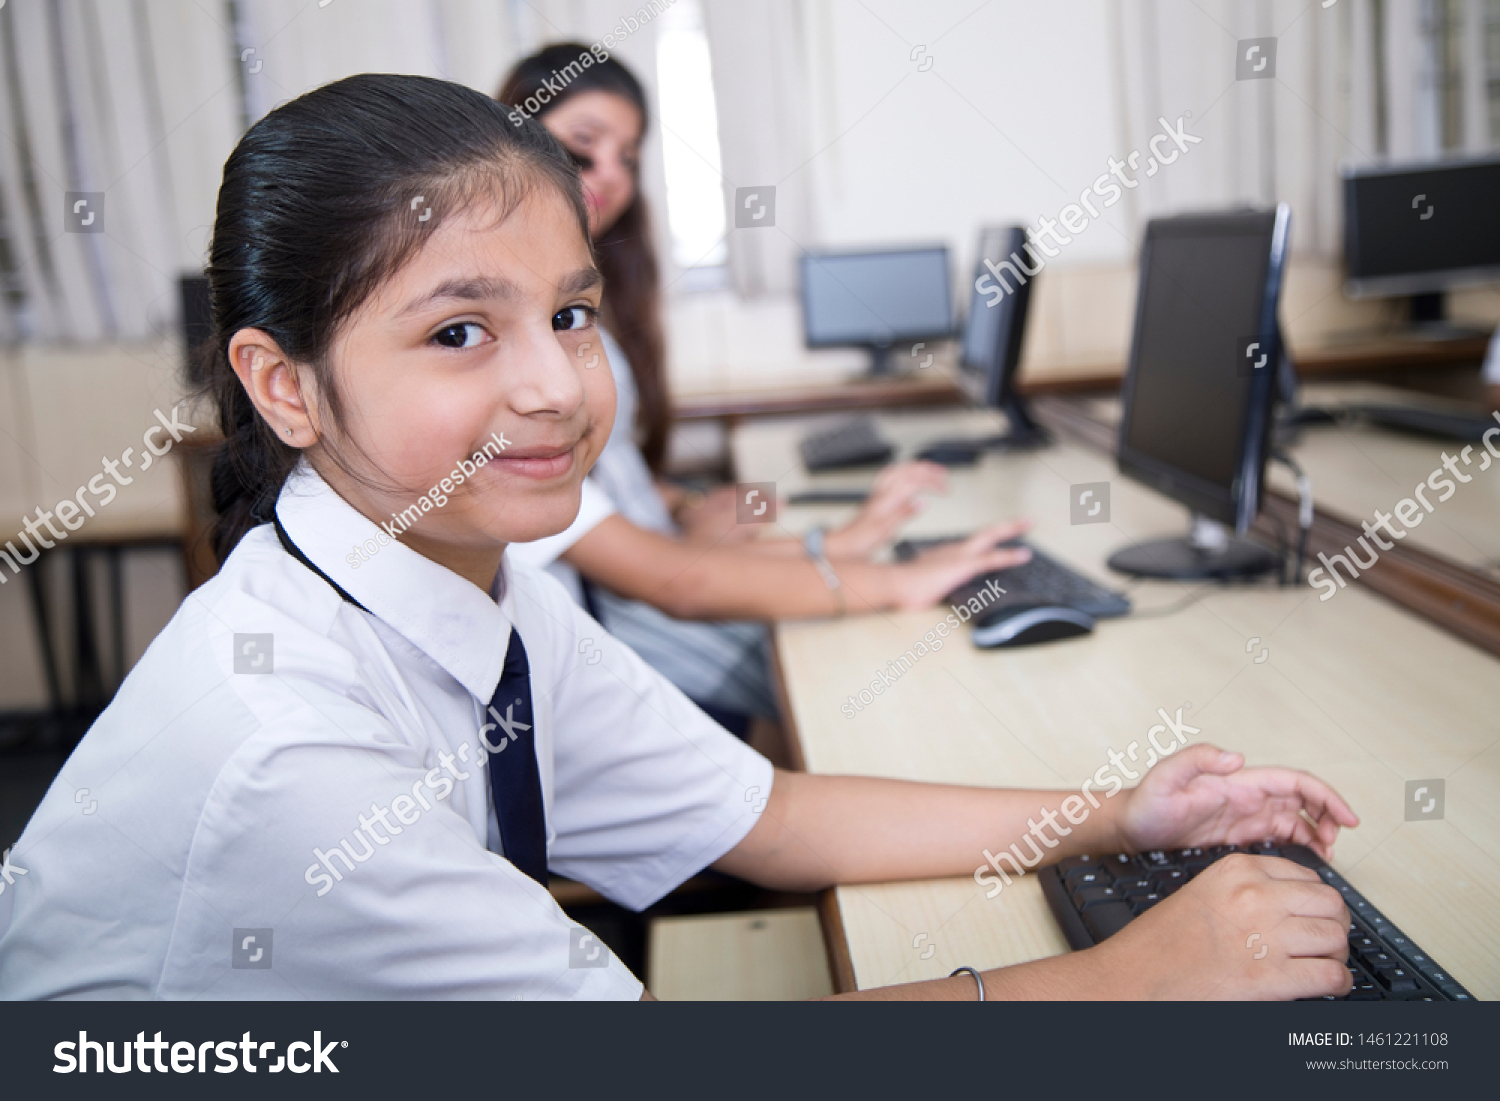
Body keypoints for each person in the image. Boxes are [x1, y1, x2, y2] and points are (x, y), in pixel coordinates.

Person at [0, 75, 1359, 1001]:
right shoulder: (287, 751)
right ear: (284, 383)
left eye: (569, 315)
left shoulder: (475, 584)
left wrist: (1116, 815)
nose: (552, 385)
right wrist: (1127, 980)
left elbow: (766, 815)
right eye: (459, 331)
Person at [497, 47, 1026, 729]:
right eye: (583, 147)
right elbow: (674, 580)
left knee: (861, 619)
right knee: (877, 665)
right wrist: (884, 575)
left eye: (629, 157)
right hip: (623, 620)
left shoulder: (578, 304)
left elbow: (623, 489)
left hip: (650, 576)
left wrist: (717, 510)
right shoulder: (509, 342)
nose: (611, 176)